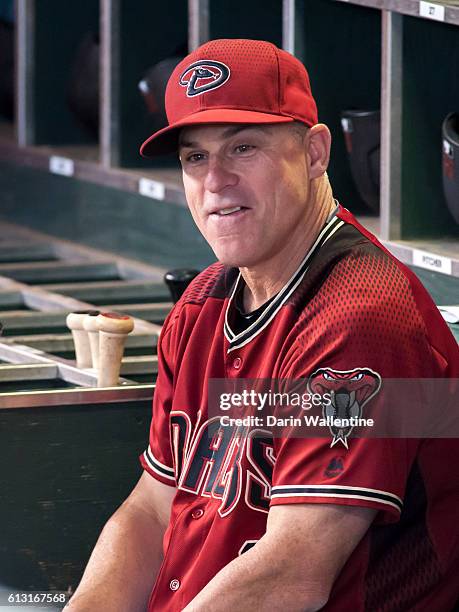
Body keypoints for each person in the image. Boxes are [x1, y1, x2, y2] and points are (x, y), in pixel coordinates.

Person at [66, 39, 459, 611]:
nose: (215, 180)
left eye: (243, 147)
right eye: (194, 157)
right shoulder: (202, 304)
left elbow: (291, 573)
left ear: (316, 152)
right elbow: (151, 511)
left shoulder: (361, 320)